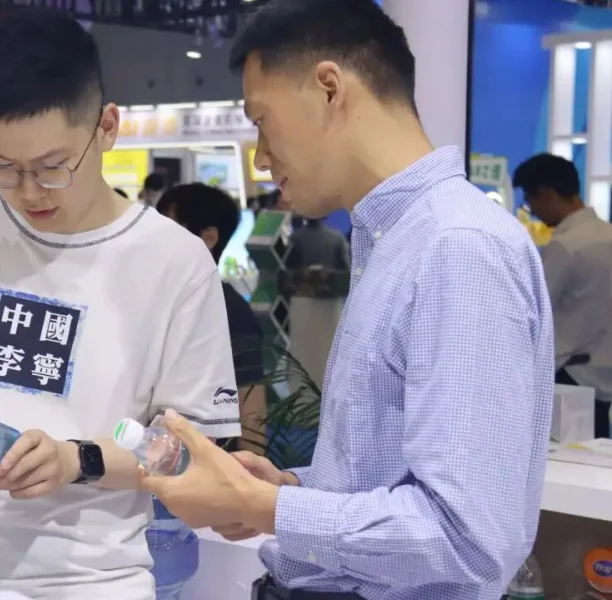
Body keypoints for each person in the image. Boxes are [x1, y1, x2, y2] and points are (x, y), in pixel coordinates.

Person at [139, 2, 554, 600]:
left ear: (329, 89)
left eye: (262, 121)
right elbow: (388, 476)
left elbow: (465, 537)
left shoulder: (458, 246)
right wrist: (288, 491)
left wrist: (267, 507)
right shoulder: (395, 239)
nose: (260, 156)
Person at [0, 8, 241, 600]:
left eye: (53, 167)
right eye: (3, 166)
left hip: (92, 581)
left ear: (106, 127)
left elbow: (189, 452)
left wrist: (76, 460)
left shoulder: (175, 261)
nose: (29, 192)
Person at [157, 183, 267, 448]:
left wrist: (248, 466)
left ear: (208, 238)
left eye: (168, 228)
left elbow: (251, 406)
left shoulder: (231, 309)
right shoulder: (156, 299)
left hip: (204, 460)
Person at [513, 153, 612, 439]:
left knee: (560, 459)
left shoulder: (565, 246)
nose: (533, 212)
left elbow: (533, 312)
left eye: (530, 201)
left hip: (568, 379)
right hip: (602, 378)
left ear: (547, 193)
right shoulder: (607, 234)